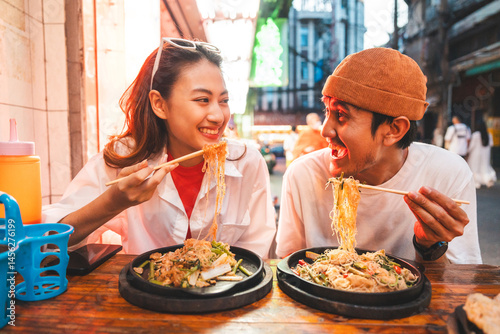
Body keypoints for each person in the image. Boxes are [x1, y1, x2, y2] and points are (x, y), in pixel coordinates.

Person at [42, 37, 276, 258]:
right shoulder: (126, 158)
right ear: (160, 104)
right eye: (202, 100)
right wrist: (114, 202)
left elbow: (256, 252)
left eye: (223, 101)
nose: (218, 115)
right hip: (143, 295)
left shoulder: (247, 163)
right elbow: (49, 242)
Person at [276, 48, 481, 264]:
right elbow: (287, 265)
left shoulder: (447, 174)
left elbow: (458, 285)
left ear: (394, 129)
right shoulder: (302, 175)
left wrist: (429, 245)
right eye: (327, 111)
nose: (325, 131)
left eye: (341, 115)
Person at [467, 119, 497, 188]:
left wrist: (468, 152)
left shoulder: (475, 135)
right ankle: (488, 180)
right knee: (485, 167)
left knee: (475, 168)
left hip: (475, 154)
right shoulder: (489, 135)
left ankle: (476, 182)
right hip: (485, 154)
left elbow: (471, 146)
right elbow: (491, 144)